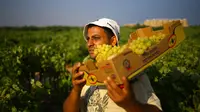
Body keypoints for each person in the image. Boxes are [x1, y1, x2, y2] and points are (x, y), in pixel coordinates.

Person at [63, 18, 162, 112]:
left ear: (113, 40)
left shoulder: (132, 74)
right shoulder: (90, 75)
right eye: (88, 39)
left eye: (96, 38)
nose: (89, 44)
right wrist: (76, 90)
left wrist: (130, 104)